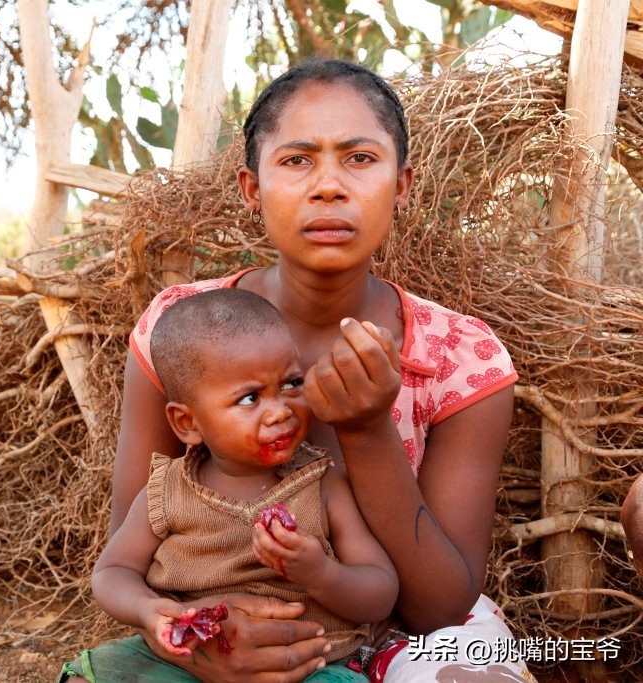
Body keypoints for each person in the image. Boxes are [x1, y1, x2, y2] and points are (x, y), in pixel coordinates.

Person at [102, 59, 534, 682]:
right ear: (252, 189)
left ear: (402, 185)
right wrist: (207, 632)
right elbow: (133, 557)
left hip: (405, 637)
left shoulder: (460, 357)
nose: (329, 185)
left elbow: (440, 607)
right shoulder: (181, 329)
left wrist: (366, 430)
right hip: (220, 620)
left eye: (360, 159)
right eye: (298, 160)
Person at [60, 288, 398, 682]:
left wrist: (320, 573)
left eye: (291, 384)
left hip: (304, 665)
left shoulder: (321, 485)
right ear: (188, 424)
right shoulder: (168, 491)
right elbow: (112, 571)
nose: (279, 412)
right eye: (249, 398)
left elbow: (380, 591)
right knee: (94, 673)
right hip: (187, 660)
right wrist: (147, 610)